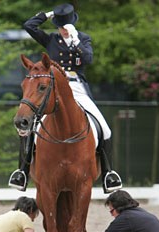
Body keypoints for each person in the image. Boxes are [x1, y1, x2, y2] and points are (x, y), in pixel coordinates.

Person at [8, 3, 122, 194]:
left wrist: (75, 40)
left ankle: (108, 174)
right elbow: (29, 26)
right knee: (31, 129)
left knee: (104, 128)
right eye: (60, 27)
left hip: (76, 86)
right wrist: (48, 14)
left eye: (64, 26)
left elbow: (87, 60)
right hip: (52, 87)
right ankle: (23, 171)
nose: (62, 30)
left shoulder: (83, 39)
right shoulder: (51, 39)